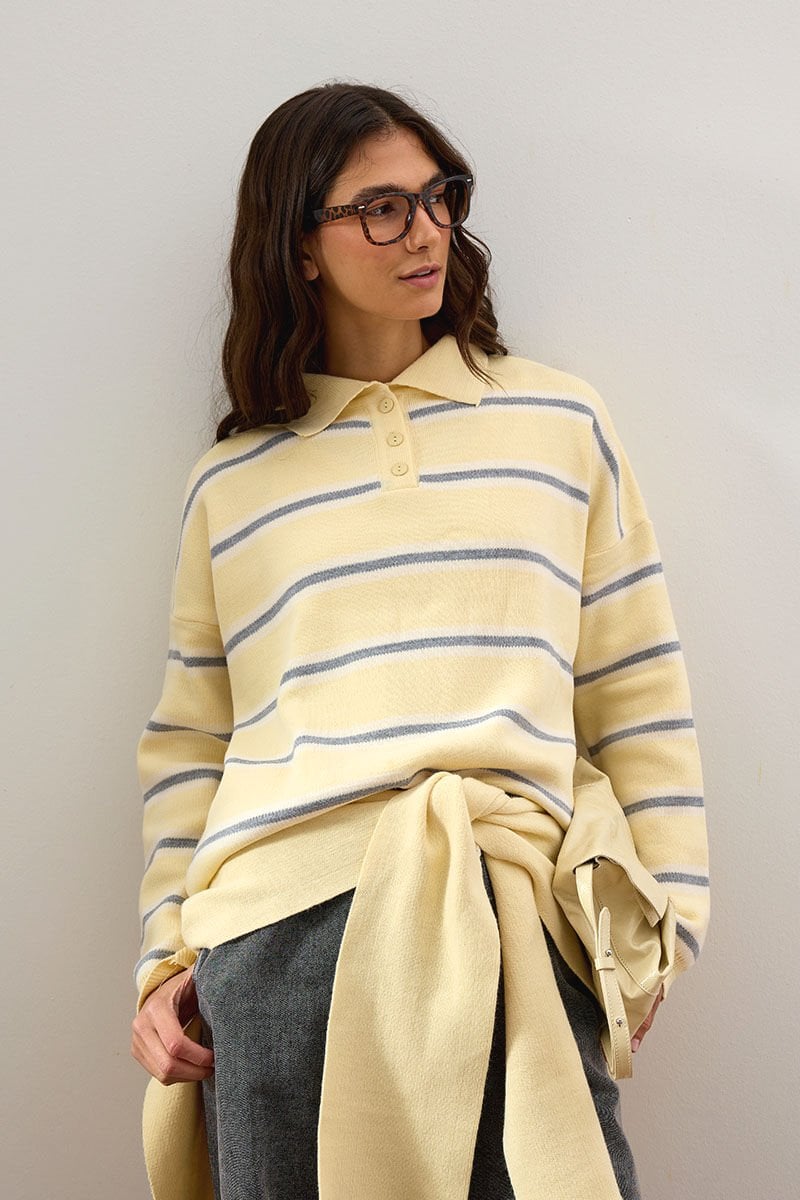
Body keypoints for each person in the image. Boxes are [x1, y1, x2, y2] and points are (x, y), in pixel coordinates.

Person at [131, 82, 710, 1200]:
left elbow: (635, 688)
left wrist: (662, 924)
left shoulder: (557, 423)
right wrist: (164, 958)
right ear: (299, 246)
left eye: (439, 197)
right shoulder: (232, 483)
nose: (426, 231)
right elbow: (192, 742)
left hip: (510, 916)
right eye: (381, 208)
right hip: (278, 939)